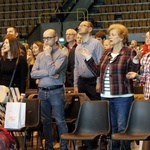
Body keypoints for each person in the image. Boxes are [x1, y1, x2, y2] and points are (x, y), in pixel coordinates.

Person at [79, 23, 141, 150]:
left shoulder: (129, 52)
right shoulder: (106, 53)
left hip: (122, 96)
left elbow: (132, 72)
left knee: (122, 128)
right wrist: (88, 57)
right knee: (111, 128)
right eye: (110, 35)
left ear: (122, 37)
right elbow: (97, 72)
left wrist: (136, 61)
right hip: (106, 96)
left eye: (113, 35)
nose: (110, 37)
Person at [31, 29, 68, 150]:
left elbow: (54, 71)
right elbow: (33, 74)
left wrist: (48, 55)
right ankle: (49, 146)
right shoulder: (40, 55)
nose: (46, 41)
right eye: (44, 38)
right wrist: (48, 73)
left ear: (56, 38)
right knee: (45, 121)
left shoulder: (62, 55)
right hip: (42, 91)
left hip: (56, 91)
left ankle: (64, 147)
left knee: (60, 121)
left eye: (49, 38)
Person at [74, 21, 103, 100]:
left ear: (90, 29)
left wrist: (98, 82)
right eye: (79, 26)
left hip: (93, 81)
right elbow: (76, 67)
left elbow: (101, 64)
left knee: (96, 106)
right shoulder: (78, 47)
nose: (79, 27)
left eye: (83, 25)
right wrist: (76, 85)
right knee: (83, 107)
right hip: (81, 81)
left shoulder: (96, 44)